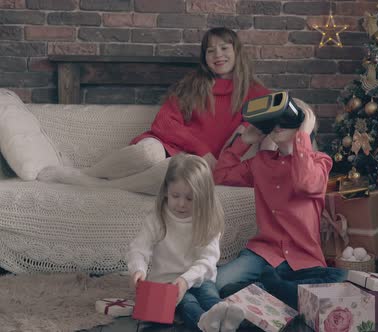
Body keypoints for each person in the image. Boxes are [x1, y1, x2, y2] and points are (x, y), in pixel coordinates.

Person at [37, 27, 271, 195]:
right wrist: (203, 150)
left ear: (236, 52)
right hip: (164, 144)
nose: (218, 55)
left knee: (175, 173)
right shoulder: (192, 84)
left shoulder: (255, 93)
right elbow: (164, 124)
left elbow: (276, 119)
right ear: (205, 58)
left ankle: (90, 184)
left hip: (194, 163)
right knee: (146, 155)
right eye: (210, 50)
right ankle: (89, 173)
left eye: (224, 47)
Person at [203, 98, 346, 322]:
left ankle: (261, 294)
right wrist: (245, 140)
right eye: (274, 122)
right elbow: (221, 176)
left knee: (314, 301)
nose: (278, 126)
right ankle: (260, 294)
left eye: (286, 121)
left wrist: (303, 136)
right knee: (219, 283)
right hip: (263, 253)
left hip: (303, 257)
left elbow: (305, 183)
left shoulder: (321, 162)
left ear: (302, 126)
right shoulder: (261, 161)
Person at [126, 153, 244, 331]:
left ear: (203, 197)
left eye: (190, 198)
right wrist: (137, 269)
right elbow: (138, 249)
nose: (181, 204)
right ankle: (205, 324)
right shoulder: (157, 218)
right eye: (175, 196)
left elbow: (208, 261)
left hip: (199, 279)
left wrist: (185, 280)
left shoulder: (207, 219)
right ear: (166, 191)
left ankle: (225, 322)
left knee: (210, 297)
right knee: (187, 303)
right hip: (167, 282)